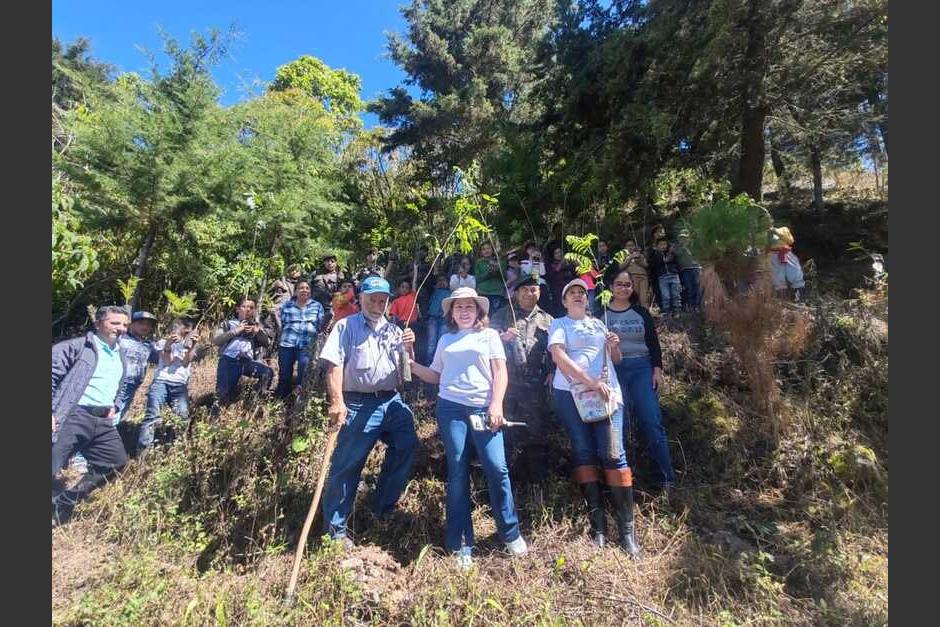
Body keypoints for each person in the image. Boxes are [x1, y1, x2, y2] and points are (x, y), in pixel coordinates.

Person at [407, 287, 528, 568]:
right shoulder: (445, 339)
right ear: (451, 313)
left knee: (496, 467)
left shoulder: (490, 336)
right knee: (458, 470)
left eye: (469, 306)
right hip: (450, 409)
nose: (464, 311)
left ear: (478, 311)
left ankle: (510, 532)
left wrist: (496, 404)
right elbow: (436, 375)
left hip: (484, 409)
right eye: (458, 307)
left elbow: (500, 372)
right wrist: (411, 365)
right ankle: (461, 543)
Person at [319, 275, 419, 547]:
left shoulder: (394, 331)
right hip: (358, 403)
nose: (377, 305)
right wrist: (337, 401)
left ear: (388, 302)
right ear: (361, 298)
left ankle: (382, 507)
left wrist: (409, 346)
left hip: (391, 401)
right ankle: (335, 532)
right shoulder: (346, 326)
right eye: (372, 299)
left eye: (382, 300)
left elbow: (406, 372)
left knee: (407, 444)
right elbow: (333, 364)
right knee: (347, 464)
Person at [547, 279, 640, 557]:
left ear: (587, 300)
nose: (577, 296)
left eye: (581, 293)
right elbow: (559, 357)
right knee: (584, 452)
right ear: (564, 301)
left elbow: (616, 360)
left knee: (614, 454)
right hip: (571, 395)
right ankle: (598, 526)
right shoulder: (559, 324)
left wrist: (614, 346)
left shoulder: (599, 324)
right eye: (571, 293)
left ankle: (627, 533)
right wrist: (590, 382)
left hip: (606, 393)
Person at [52, 306, 131, 526]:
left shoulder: (120, 354)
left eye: (125, 324)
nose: (121, 328)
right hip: (73, 415)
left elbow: (120, 384)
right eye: (115, 323)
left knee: (115, 461)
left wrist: (115, 405)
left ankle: (64, 501)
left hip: (102, 421)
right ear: (98, 324)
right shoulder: (76, 347)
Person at [605, 268, 677, 491]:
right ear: (611, 287)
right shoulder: (601, 315)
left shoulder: (641, 313)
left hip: (641, 368)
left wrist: (657, 369)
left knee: (651, 420)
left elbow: (653, 343)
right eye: (619, 284)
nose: (623, 288)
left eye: (627, 284)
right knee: (618, 425)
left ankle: (665, 477)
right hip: (614, 371)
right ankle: (622, 482)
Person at [69, 309, 159, 475]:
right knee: (101, 419)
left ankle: (92, 456)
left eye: (148, 325)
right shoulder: (120, 339)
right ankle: (79, 459)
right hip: (114, 384)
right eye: (141, 323)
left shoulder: (149, 346)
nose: (145, 327)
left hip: (132, 386)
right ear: (131, 324)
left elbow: (162, 358)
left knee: (114, 419)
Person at [490, 275, 554, 479]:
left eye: (533, 289)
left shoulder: (548, 319)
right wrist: (502, 337)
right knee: (504, 427)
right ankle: (506, 476)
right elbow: (486, 340)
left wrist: (553, 371)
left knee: (536, 429)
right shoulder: (502, 315)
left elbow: (556, 349)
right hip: (507, 382)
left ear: (540, 292)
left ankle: (536, 480)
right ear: (516, 293)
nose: (529, 293)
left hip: (536, 384)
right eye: (524, 290)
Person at [137, 317, 200, 453]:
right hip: (161, 382)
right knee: (152, 416)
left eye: (188, 331)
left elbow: (185, 363)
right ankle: (143, 452)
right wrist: (168, 344)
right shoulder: (162, 342)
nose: (185, 333)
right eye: (183, 329)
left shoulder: (190, 345)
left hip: (180, 384)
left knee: (182, 417)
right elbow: (167, 361)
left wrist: (193, 346)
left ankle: (176, 449)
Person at [212, 297, 275, 405]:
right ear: (237, 309)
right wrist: (236, 330)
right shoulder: (228, 324)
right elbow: (216, 340)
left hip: (247, 363)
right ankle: (216, 412)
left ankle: (254, 403)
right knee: (221, 397)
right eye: (244, 306)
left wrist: (257, 332)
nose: (248, 309)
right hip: (228, 361)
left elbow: (267, 343)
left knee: (267, 372)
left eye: (251, 307)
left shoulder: (256, 327)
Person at [276, 278, 326, 398]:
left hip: (307, 345)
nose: (304, 290)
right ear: (295, 291)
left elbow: (320, 325)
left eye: (307, 288)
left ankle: (299, 400)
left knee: (304, 373)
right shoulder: (287, 305)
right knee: (284, 374)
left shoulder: (317, 306)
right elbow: (282, 323)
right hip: (287, 344)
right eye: (301, 288)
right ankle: (281, 400)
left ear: (310, 291)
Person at [767, 226, 806, 301]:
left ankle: (800, 297)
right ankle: (782, 299)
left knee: (795, 272)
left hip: (786, 254)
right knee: (778, 277)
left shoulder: (783, 229)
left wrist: (777, 232)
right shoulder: (763, 233)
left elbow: (790, 240)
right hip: (773, 255)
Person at [650, 238, 682, 315]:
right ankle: (667, 310)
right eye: (661, 244)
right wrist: (663, 258)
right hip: (662, 277)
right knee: (666, 295)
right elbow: (654, 264)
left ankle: (677, 310)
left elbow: (677, 262)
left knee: (676, 294)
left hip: (673, 275)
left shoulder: (672, 253)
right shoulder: (655, 255)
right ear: (657, 246)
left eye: (665, 244)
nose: (663, 246)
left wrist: (672, 253)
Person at [424, 275, 451, 364]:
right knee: (431, 343)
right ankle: (429, 364)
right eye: (439, 280)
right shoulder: (434, 292)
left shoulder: (449, 293)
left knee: (442, 342)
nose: (441, 282)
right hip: (433, 319)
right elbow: (430, 305)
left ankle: (440, 364)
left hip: (444, 320)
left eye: (444, 280)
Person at [474, 243, 507, 314]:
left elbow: (504, 277)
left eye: (488, 248)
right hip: (482, 292)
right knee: (483, 315)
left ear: (492, 250)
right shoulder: (479, 262)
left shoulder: (500, 261)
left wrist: (497, 270)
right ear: (481, 252)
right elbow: (477, 279)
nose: (486, 250)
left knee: (497, 315)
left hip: (497, 292)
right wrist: (488, 273)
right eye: (483, 249)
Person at [674, 230, 703, 311]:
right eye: (681, 238)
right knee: (689, 287)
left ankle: (697, 305)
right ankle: (690, 305)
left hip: (695, 268)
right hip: (685, 270)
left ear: (689, 238)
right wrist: (683, 248)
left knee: (698, 287)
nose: (684, 240)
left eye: (685, 238)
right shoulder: (677, 248)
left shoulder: (694, 247)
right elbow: (677, 256)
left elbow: (699, 256)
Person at [546, 246, 576, 317]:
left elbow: (574, 273)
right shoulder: (551, 264)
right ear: (553, 255)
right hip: (557, 290)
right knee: (560, 308)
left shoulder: (568, 262)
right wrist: (561, 263)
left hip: (569, 288)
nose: (559, 254)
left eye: (560, 252)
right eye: (556, 253)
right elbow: (552, 273)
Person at [623, 240, 651, 308]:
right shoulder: (624, 256)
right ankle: (635, 312)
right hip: (632, 277)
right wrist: (630, 258)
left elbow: (646, 265)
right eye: (628, 246)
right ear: (625, 248)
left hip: (643, 277)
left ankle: (645, 312)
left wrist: (639, 260)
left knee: (644, 298)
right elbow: (621, 267)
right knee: (635, 297)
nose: (630, 247)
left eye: (632, 245)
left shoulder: (640, 255)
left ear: (635, 246)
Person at [646, 224, 667, 309]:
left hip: (667, 271)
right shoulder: (650, 247)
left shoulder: (667, 244)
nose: (661, 234)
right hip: (655, 272)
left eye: (662, 232)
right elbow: (649, 260)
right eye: (658, 232)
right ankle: (662, 308)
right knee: (658, 290)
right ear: (654, 234)